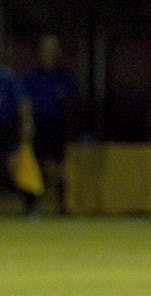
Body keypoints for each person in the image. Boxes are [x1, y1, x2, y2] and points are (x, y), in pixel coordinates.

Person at [22, 34, 77, 215]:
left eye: (54, 49)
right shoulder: (33, 73)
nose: (50, 52)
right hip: (39, 123)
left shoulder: (63, 75)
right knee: (36, 165)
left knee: (59, 165)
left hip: (57, 124)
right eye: (47, 49)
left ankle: (61, 207)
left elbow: (71, 99)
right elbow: (26, 99)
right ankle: (31, 206)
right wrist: (28, 123)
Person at [0, 61, 35, 213]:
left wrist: (27, 123)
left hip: (7, 126)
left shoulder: (6, 76)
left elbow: (23, 101)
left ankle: (28, 205)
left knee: (15, 165)